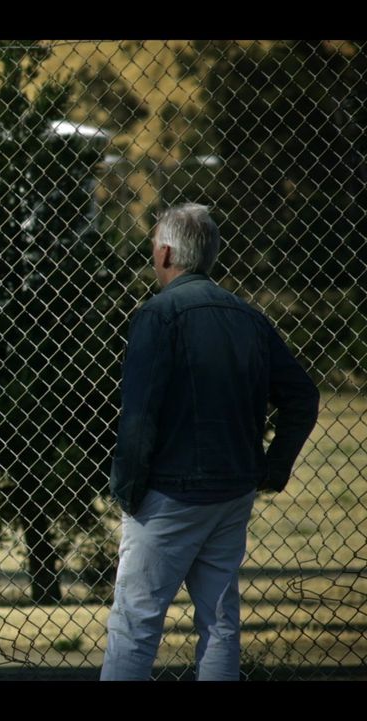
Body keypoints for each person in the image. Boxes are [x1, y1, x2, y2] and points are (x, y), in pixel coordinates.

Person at [100, 203, 320, 681]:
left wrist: (127, 487)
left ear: (163, 253)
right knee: (220, 622)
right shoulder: (249, 318)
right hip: (233, 489)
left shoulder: (158, 316)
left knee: (136, 623)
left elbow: (139, 415)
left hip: (168, 491)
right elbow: (302, 396)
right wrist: (272, 466)